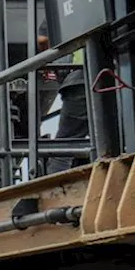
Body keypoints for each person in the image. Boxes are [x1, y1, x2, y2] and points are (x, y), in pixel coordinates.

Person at [36, 19, 88, 175]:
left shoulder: (61, 8)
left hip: (78, 81)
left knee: (65, 144)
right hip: (108, 78)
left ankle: (55, 186)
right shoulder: (95, 3)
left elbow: (42, 39)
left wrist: (48, 60)